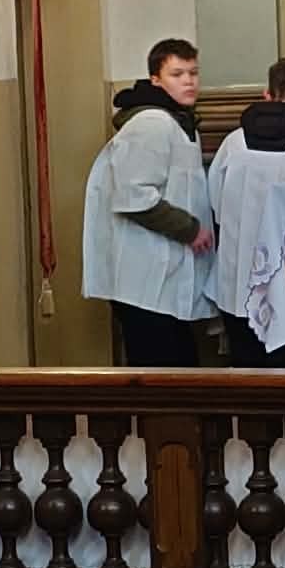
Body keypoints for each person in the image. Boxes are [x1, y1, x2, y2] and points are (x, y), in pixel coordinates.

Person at [82, 38, 215, 367]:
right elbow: (134, 195)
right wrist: (190, 229)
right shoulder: (151, 124)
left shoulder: (178, 122)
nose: (188, 81)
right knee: (160, 367)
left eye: (193, 73)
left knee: (179, 365)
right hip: (142, 275)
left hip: (162, 275)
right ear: (156, 80)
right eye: (177, 74)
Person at [208, 57, 285, 367]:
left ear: (267, 94)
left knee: (246, 365)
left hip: (237, 275)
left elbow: (215, 202)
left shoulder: (234, 142)